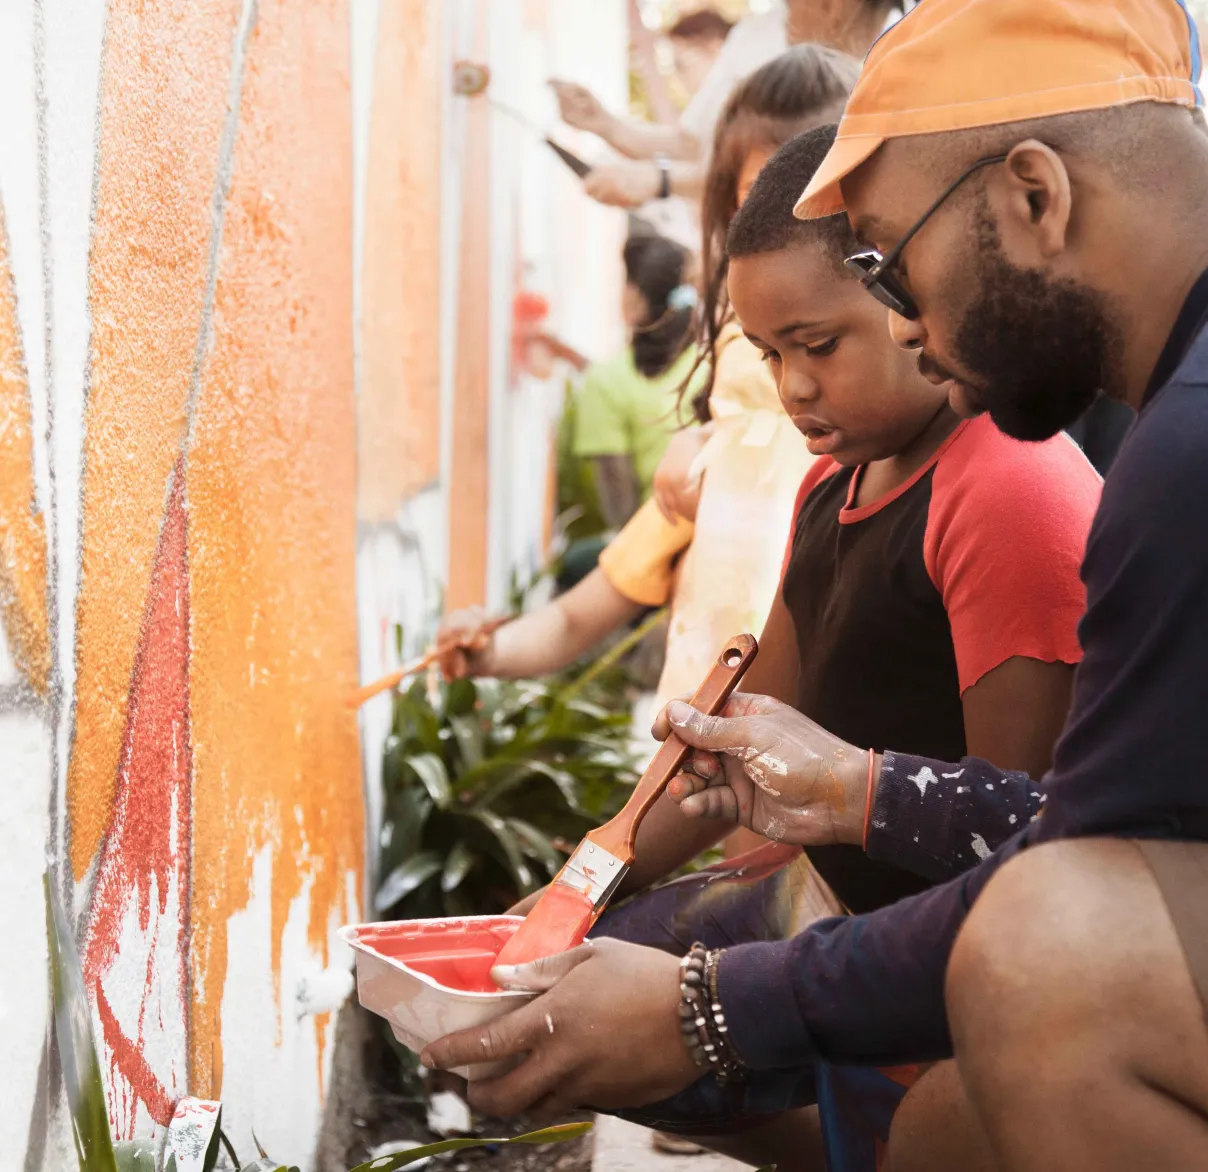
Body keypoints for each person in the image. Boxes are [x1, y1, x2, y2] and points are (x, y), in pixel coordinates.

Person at [425, 3, 1208, 1170]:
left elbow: (1067, 872)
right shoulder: (1158, 437)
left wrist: (705, 1005)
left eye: (888, 269)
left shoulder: (1160, 460)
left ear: (1033, 198)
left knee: (1042, 957)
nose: (917, 329)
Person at [441, 45, 857, 720]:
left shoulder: (883, 471)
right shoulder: (721, 457)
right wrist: (490, 649)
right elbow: (585, 610)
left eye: (818, 205)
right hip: (715, 784)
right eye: (754, 205)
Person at [552, 0, 904, 210]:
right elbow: (696, 142)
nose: (786, 11)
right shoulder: (756, 35)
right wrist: (608, 126)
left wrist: (661, 181)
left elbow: (782, 177)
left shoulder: (892, 70)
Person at [571, 233, 699, 531]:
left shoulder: (606, 381)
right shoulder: (716, 360)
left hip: (656, 540)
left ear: (635, 298)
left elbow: (620, 507)